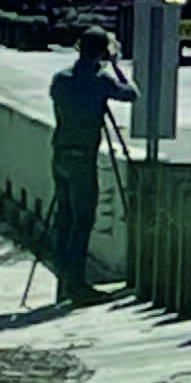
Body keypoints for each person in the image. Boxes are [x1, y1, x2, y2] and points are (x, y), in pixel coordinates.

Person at [48, 25, 139, 305]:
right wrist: (116, 66)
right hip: (82, 159)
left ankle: (63, 283)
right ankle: (76, 285)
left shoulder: (60, 79)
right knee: (83, 220)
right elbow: (132, 93)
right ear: (102, 52)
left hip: (60, 154)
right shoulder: (100, 80)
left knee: (64, 219)